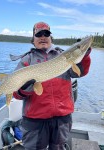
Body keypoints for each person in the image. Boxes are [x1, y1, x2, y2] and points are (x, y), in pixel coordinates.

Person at [12, 22, 91, 150]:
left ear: (50, 37)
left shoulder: (64, 56)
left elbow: (80, 72)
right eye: (39, 34)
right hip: (35, 119)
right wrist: (25, 88)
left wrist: (84, 55)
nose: (43, 37)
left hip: (62, 117)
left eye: (46, 33)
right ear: (33, 39)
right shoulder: (26, 60)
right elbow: (16, 93)